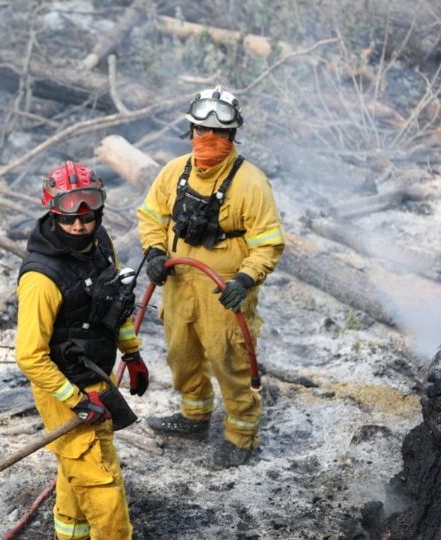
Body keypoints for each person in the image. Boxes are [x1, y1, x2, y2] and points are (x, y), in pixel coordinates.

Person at [137, 85, 284, 468]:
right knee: (181, 355)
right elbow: (151, 217)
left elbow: (268, 243)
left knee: (229, 361)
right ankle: (194, 416)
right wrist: (154, 251)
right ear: (190, 132)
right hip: (179, 285)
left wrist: (246, 280)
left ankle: (241, 434)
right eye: (201, 131)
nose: (209, 140)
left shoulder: (251, 183)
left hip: (225, 293)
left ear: (233, 135)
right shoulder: (174, 172)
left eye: (218, 133)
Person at [15, 162, 149, 539]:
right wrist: (74, 400)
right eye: (69, 219)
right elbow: (29, 355)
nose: (78, 226)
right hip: (63, 387)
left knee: (78, 468)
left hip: (95, 377)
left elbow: (115, 305)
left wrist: (132, 353)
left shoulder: (101, 246)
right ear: (53, 213)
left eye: (87, 218)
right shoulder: (41, 278)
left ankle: (69, 534)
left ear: (99, 212)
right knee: (102, 486)